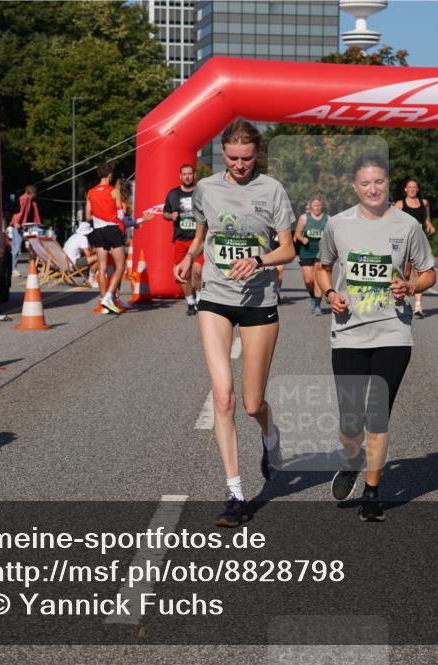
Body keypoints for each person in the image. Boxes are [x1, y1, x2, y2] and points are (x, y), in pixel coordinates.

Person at [173, 119, 296, 527]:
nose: (240, 165)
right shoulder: (207, 188)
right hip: (215, 298)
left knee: (250, 403)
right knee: (222, 396)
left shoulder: (272, 190)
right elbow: (202, 232)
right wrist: (190, 256)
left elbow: (288, 249)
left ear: (256, 154)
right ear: (221, 154)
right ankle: (235, 494)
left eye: (246, 158)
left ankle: (270, 432)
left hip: (260, 300)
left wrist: (258, 260)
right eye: (232, 158)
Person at [317, 154, 436, 522]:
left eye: (380, 182)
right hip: (349, 333)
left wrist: (411, 283)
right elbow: (323, 269)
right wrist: (329, 294)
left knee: (377, 415)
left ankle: (372, 492)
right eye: (366, 183)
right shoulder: (337, 224)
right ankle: (352, 460)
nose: (373, 189)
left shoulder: (407, 225)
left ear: (389, 183)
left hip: (393, 333)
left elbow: (429, 273)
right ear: (355, 187)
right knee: (351, 421)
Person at [86, 163, 128, 314]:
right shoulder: (114, 191)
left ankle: (103, 301)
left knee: (102, 268)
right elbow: (121, 213)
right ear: (110, 175)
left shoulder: (90, 192)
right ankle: (109, 297)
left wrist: (100, 217)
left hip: (98, 231)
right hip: (112, 229)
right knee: (120, 266)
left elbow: (87, 216)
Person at [164, 164, 203, 315]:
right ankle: (190, 303)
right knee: (183, 274)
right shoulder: (173, 194)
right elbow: (164, 214)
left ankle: (199, 299)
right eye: (184, 174)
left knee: (198, 271)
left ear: (194, 175)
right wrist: (170, 216)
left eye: (190, 174)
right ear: (180, 176)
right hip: (180, 240)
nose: (187, 176)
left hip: (197, 240)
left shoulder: (201, 193)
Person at [394, 179, 436, 316]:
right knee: (405, 273)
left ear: (417, 189)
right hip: (404, 243)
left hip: (418, 242)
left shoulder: (424, 203)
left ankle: (418, 306)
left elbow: (426, 219)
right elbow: (393, 223)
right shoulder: (400, 205)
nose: (412, 189)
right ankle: (402, 298)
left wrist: (429, 225)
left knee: (420, 273)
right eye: (410, 187)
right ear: (405, 189)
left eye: (415, 187)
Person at [293, 194, 328, 315]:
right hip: (306, 251)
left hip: (321, 253)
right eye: (314, 205)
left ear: (322, 206)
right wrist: (303, 239)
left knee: (318, 280)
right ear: (311, 206)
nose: (317, 207)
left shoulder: (328, 219)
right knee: (309, 280)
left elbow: (333, 235)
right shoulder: (304, 218)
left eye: (319, 205)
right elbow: (297, 234)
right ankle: (312, 297)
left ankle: (318, 305)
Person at [9, 185, 43, 276]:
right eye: (34, 194)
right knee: (16, 247)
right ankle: (13, 269)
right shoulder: (23, 199)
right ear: (31, 193)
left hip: (29, 225)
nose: (35, 196)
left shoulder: (32, 201)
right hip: (19, 226)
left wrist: (38, 224)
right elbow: (18, 212)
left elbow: (34, 214)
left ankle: (35, 264)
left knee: (39, 237)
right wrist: (16, 222)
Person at [63, 221, 99, 287]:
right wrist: (95, 250)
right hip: (73, 264)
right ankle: (91, 280)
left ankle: (86, 279)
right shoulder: (83, 238)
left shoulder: (73, 236)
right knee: (98, 258)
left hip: (65, 263)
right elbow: (88, 254)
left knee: (85, 258)